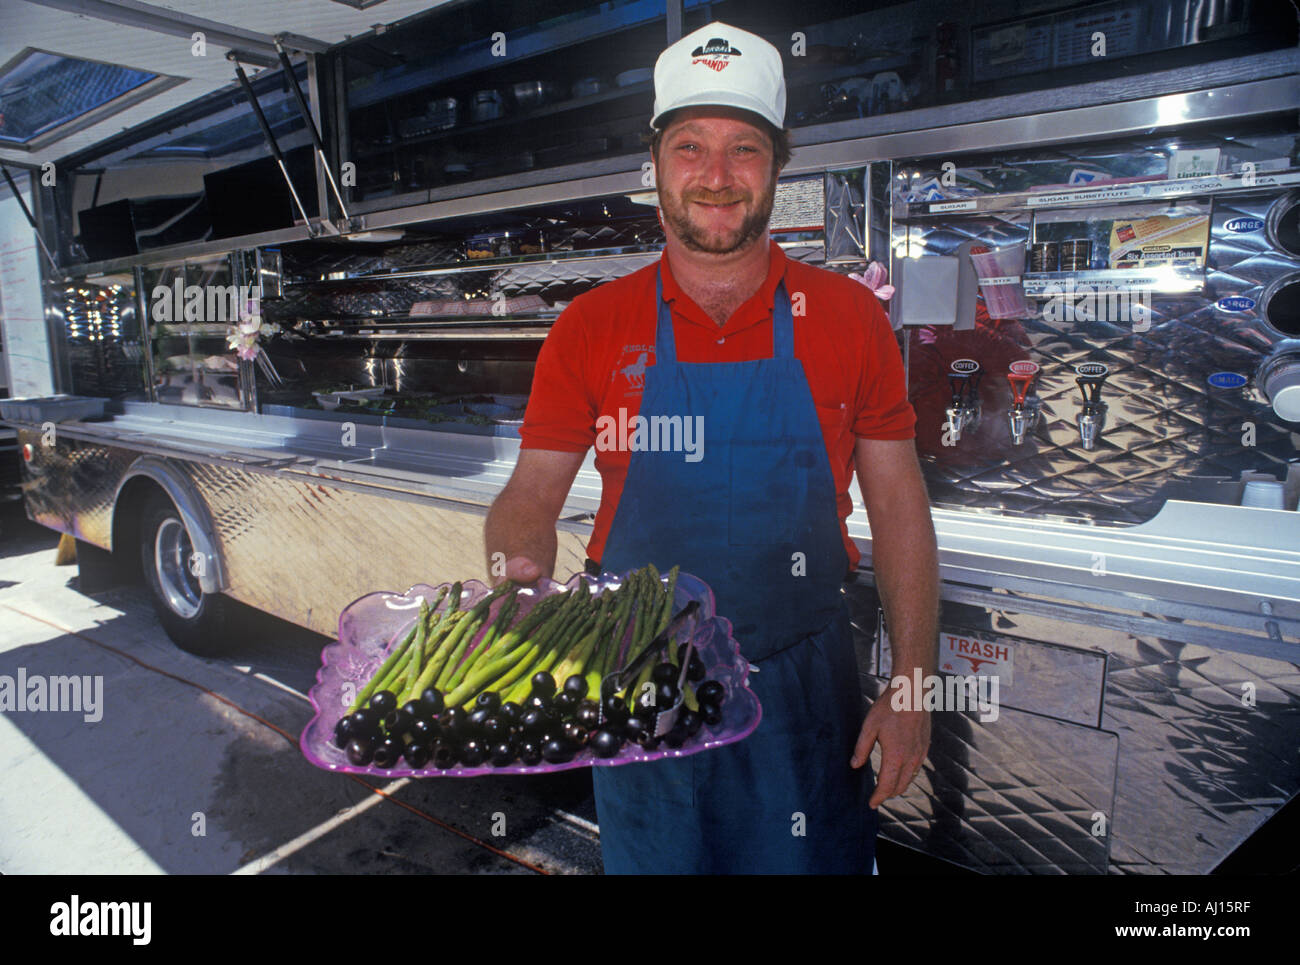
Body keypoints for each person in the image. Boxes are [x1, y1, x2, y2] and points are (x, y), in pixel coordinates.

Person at [484, 21, 938, 874]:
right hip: (639, 684)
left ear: (777, 167)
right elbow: (531, 494)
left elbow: (902, 507)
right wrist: (519, 574)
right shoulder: (590, 326)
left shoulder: (848, 316)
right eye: (690, 146)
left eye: (745, 149)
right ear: (654, 167)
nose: (717, 176)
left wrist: (911, 685)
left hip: (804, 691)